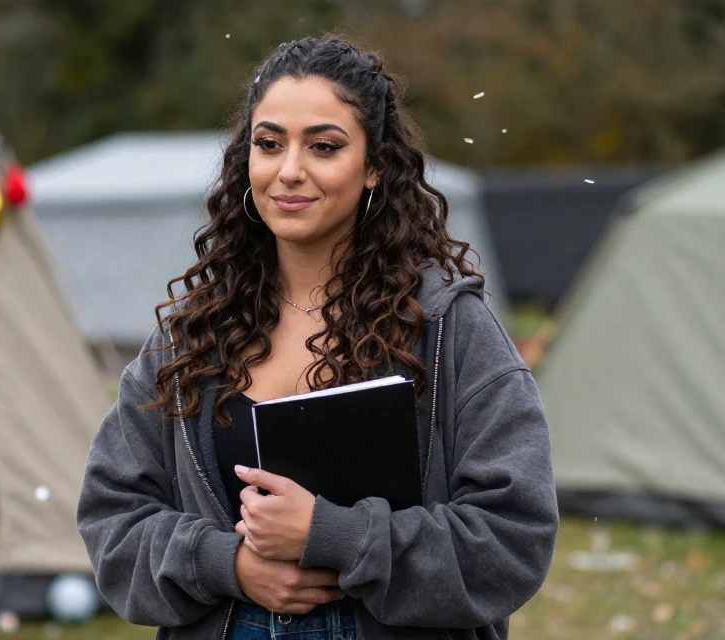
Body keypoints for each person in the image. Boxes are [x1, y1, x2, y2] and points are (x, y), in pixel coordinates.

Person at [78, 36, 558, 640]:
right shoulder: (193, 336)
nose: (289, 171)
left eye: (324, 146)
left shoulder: (446, 329)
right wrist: (227, 564)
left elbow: (513, 538)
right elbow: (112, 519)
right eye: (269, 143)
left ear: (376, 166)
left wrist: (331, 535)